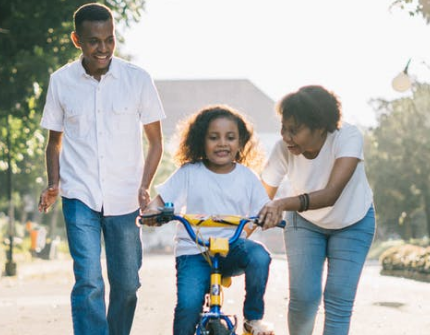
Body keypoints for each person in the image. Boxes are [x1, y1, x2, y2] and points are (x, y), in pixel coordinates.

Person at [38, 3, 165, 335]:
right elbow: (54, 141)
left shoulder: (138, 79)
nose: (104, 48)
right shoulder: (61, 82)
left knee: (127, 285)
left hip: (125, 197)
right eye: (94, 41)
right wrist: (54, 183)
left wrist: (144, 185)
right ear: (77, 39)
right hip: (79, 194)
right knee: (89, 280)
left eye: (110, 39)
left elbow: (155, 142)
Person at [141, 105, 274, 335]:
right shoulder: (189, 172)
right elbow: (160, 202)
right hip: (194, 250)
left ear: (240, 142)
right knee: (188, 306)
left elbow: (264, 208)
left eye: (230, 138)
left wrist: (269, 215)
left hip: (233, 249)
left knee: (260, 255)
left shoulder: (247, 177)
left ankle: (252, 319)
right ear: (201, 141)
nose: (222, 143)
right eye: (214, 137)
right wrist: (152, 213)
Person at [259, 85, 375, 335]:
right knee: (304, 297)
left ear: (320, 127)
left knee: (338, 299)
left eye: (294, 130)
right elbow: (260, 201)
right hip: (305, 224)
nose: (286, 137)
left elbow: (331, 194)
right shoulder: (282, 149)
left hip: (353, 222)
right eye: (284, 128)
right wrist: (231, 240)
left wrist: (281, 203)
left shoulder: (348, 138)